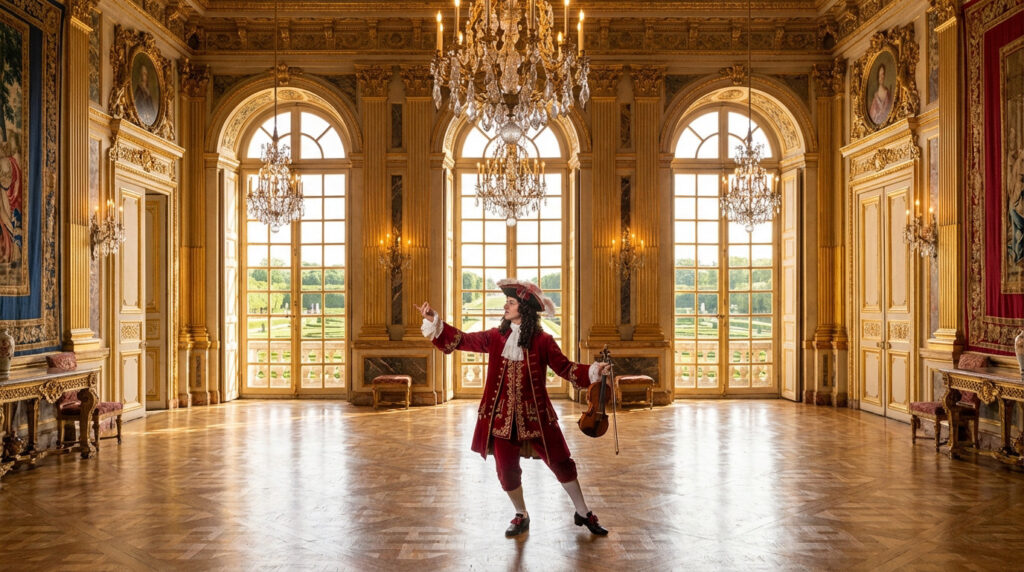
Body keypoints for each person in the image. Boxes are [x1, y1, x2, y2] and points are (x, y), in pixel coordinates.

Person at [416, 278, 613, 538]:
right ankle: (521, 513)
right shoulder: (495, 337)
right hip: (502, 419)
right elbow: (463, 340)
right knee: (506, 471)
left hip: (537, 415)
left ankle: (583, 512)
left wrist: (594, 370)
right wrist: (434, 320)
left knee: (562, 462)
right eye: (506, 302)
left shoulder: (543, 341)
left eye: (511, 302)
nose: (505, 307)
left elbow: (565, 368)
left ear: (524, 308)